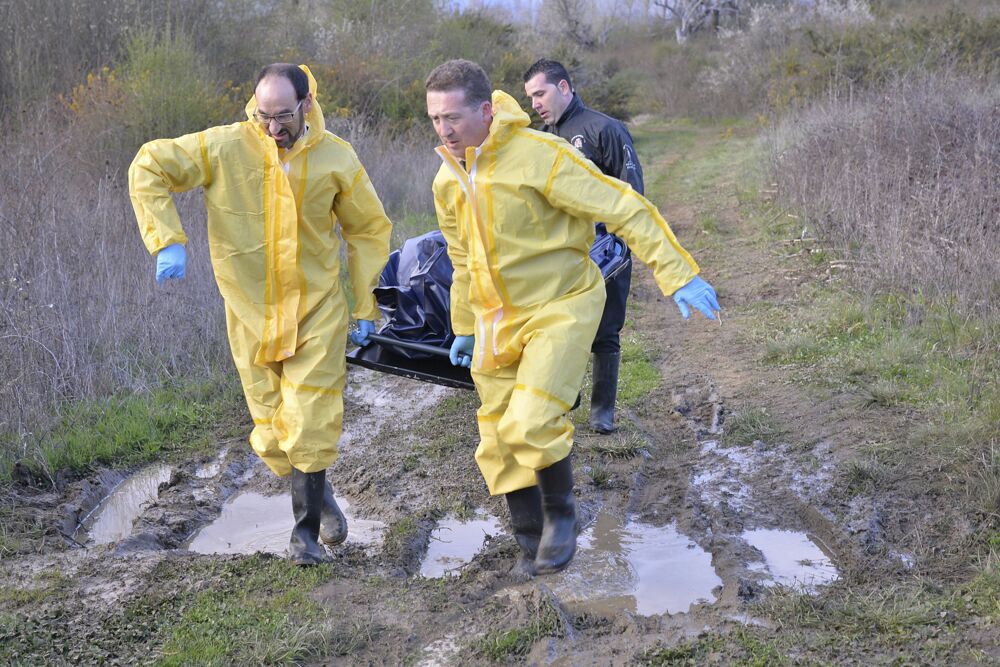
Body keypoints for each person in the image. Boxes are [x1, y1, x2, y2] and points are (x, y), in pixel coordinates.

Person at [425, 59, 719, 575]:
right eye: (434, 119)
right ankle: (531, 540)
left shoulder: (542, 157)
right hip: (497, 319)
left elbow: (623, 205)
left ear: (486, 111)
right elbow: (463, 259)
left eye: (453, 117)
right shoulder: (448, 181)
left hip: (559, 305)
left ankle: (562, 516)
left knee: (532, 421)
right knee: (497, 436)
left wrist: (677, 273)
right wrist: (466, 325)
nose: (444, 130)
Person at [129, 63, 392, 565]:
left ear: (307, 104)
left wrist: (364, 304)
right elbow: (149, 165)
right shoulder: (226, 146)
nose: (273, 128)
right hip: (249, 315)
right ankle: (323, 496)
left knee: (311, 420)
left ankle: (305, 536)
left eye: (284, 116)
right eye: (263, 115)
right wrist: (167, 239)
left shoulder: (337, 157)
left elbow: (368, 230)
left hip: (316, 311)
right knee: (272, 434)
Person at [524, 58, 642, 435]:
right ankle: (561, 402)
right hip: (557, 255)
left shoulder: (605, 129)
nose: (535, 103)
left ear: (563, 87)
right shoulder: (537, 140)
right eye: (529, 97)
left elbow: (631, 193)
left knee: (605, 330)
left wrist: (620, 243)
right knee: (558, 330)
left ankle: (602, 411)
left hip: (606, 252)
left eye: (540, 93)